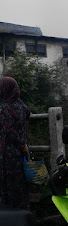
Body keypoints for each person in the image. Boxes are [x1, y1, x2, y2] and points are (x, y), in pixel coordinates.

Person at [0, 77, 29, 209]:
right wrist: (23, 145)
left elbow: (9, 131)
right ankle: (23, 210)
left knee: (9, 184)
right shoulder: (21, 104)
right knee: (21, 183)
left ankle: (11, 213)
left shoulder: (5, 108)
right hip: (22, 151)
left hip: (9, 152)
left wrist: (21, 144)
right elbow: (28, 114)